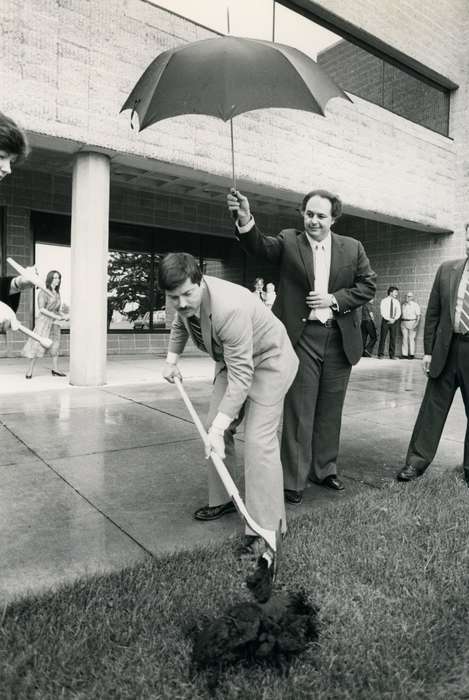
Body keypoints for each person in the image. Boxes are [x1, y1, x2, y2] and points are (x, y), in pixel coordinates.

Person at [227, 188, 376, 504]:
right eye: (309, 214)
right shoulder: (289, 241)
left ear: (333, 218)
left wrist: (334, 300)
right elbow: (260, 247)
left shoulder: (353, 248)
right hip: (301, 338)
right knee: (299, 410)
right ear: (302, 214)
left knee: (330, 410)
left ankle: (324, 470)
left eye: (321, 216)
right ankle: (293, 479)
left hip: (339, 338)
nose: (314, 221)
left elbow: (367, 286)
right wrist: (245, 220)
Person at [160, 253, 298, 552]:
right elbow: (181, 324)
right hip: (232, 361)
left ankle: (267, 526)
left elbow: (242, 377)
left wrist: (224, 424)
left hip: (269, 360)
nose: (182, 303)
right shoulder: (184, 302)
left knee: (259, 440)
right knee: (213, 425)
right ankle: (223, 499)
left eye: (187, 294)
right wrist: (172, 361)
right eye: (174, 297)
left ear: (200, 282)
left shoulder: (229, 308)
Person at [397, 224, 469, 484]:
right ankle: (416, 463)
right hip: (445, 351)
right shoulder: (447, 269)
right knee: (432, 409)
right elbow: (434, 314)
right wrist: (427, 352)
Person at [22, 270, 69, 378]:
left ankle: (55, 369)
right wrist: (56, 316)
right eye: (55, 278)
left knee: (55, 345)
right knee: (37, 345)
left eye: (59, 278)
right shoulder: (43, 292)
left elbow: (57, 309)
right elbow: (42, 309)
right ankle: (30, 370)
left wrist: (63, 315)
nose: (57, 280)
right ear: (50, 279)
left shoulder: (57, 293)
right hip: (44, 322)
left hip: (55, 323)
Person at [378, 286, 401, 359]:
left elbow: (398, 312)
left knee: (393, 338)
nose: (396, 294)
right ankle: (380, 354)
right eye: (395, 292)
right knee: (383, 337)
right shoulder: (384, 301)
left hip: (394, 321)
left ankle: (392, 355)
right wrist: (389, 319)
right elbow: (382, 312)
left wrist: (394, 319)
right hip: (385, 321)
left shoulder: (396, 302)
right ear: (391, 292)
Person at [400, 292, 421, 359]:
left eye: (409, 296)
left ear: (412, 297)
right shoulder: (403, 305)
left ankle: (411, 354)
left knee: (411, 339)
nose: (407, 298)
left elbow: (418, 316)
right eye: (406, 296)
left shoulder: (415, 305)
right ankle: (404, 354)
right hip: (403, 323)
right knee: (404, 338)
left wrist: (416, 324)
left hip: (412, 322)